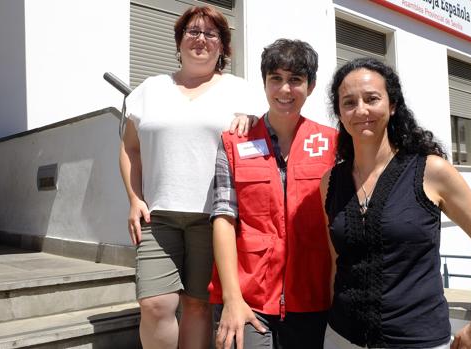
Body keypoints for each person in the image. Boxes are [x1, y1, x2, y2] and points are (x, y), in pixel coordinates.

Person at [320, 58, 471, 349]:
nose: (361, 110)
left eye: (372, 99)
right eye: (349, 102)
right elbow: (336, 260)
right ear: (340, 114)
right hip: (342, 337)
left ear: (392, 105)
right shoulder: (330, 181)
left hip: (418, 340)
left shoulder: (431, 171)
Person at [119, 5, 259, 349]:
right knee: (155, 304)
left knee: (197, 305)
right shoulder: (149, 89)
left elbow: (257, 151)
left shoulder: (241, 91)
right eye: (192, 32)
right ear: (179, 40)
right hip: (158, 215)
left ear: (223, 46)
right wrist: (134, 198)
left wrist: (252, 119)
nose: (201, 39)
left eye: (211, 34)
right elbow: (129, 150)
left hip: (215, 219)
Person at [209, 39, 338, 349]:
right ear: (265, 83)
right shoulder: (235, 141)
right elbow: (224, 218)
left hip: (314, 299)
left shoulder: (333, 143)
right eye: (276, 79)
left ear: (311, 86)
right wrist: (231, 298)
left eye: (295, 80)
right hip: (249, 298)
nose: (285, 90)